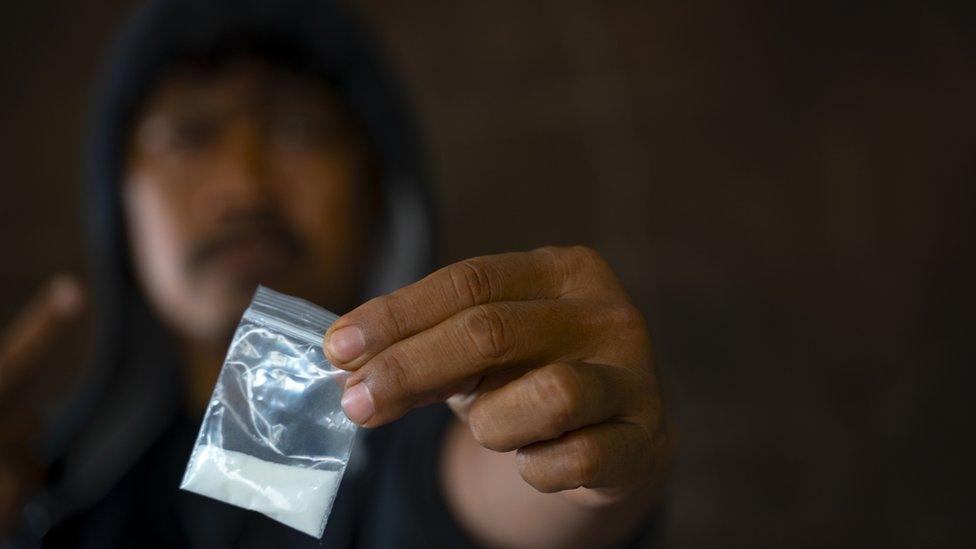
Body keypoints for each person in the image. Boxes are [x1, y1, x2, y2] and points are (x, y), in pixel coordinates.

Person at [0, 1, 671, 547]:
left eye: (297, 128)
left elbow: (505, 494)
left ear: (379, 194)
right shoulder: (51, 487)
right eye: (190, 134)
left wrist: (584, 449)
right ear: (119, 204)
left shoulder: (438, 433)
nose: (244, 185)